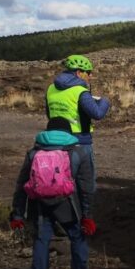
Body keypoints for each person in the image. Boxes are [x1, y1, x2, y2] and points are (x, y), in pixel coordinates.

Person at [10, 118, 96, 269]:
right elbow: (86, 187)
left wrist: (17, 213)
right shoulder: (78, 152)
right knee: (77, 237)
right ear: (69, 132)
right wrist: (87, 215)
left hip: (40, 204)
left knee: (41, 242)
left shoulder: (34, 153)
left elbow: (21, 185)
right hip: (69, 205)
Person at [46, 54, 110, 192]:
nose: (90, 76)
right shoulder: (80, 91)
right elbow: (97, 113)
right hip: (80, 142)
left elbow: (49, 114)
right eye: (88, 72)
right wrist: (105, 101)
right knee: (85, 185)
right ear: (79, 72)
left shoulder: (51, 88)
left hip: (55, 142)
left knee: (60, 182)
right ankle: (85, 213)